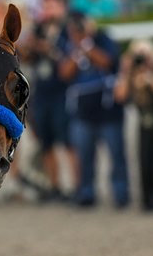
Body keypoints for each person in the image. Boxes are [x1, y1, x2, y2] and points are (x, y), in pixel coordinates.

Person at [58, 11, 130, 208]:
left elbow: (108, 61)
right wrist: (76, 48)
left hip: (109, 110)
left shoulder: (103, 37)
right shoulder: (67, 43)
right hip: (82, 111)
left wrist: (87, 45)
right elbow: (65, 73)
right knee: (84, 156)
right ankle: (86, 193)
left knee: (116, 154)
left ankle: (121, 193)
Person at [22, 0, 77, 202]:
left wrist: (48, 49)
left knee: (68, 142)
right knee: (46, 144)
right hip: (41, 94)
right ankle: (54, 187)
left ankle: (75, 186)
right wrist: (28, 46)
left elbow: (68, 61)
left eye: (52, 5)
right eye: (45, 5)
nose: (48, 10)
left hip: (63, 93)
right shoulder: (37, 30)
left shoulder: (68, 30)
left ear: (63, 7)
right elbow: (27, 57)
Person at [115, 39, 153, 211]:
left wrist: (150, 74)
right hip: (143, 121)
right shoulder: (132, 73)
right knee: (144, 160)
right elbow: (120, 96)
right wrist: (126, 71)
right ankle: (147, 199)